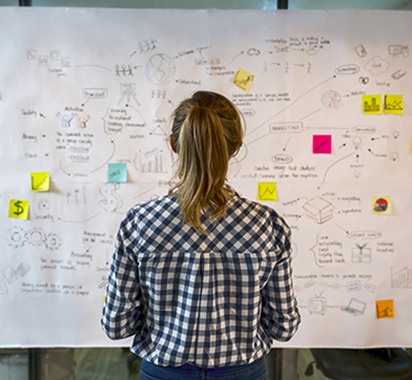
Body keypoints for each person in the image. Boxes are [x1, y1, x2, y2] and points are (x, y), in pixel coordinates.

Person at [102, 91, 300, 380]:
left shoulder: (139, 223)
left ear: (173, 144)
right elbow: (284, 327)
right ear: (234, 148)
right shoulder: (267, 225)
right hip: (242, 373)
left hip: (164, 373)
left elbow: (116, 325)